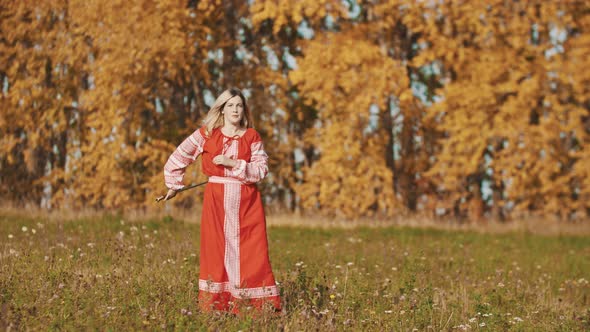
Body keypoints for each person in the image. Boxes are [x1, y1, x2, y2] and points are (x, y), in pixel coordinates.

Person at [162, 88, 281, 313]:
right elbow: (181, 155)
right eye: (231, 105)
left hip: (247, 202)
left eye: (239, 105)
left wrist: (232, 163)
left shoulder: (252, 136)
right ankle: (219, 306)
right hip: (216, 200)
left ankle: (252, 307)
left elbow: (261, 170)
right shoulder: (208, 134)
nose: (236, 110)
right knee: (216, 250)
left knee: (251, 251)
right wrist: (173, 185)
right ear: (222, 109)